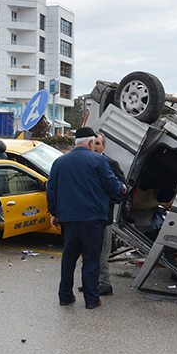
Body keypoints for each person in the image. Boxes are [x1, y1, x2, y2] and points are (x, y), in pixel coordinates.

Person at [47, 127, 125, 310]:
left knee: (69, 258)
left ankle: (65, 295)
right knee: (91, 258)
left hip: (68, 219)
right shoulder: (98, 160)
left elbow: (51, 190)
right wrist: (122, 187)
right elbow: (112, 184)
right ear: (91, 143)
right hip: (92, 219)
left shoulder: (59, 162)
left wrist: (54, 213)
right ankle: (91, 299)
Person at [83, 132, 125, 296]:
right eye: (93, 143)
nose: (95, 146)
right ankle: (90, 283)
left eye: (98, 144)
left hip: (104, 217)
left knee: (102, 253)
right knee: (89, 251)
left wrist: (105, 200)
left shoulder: (111, 164)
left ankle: (104, 284)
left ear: (104, 146)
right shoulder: (86, 163)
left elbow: (122, 189)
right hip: (88, 217)